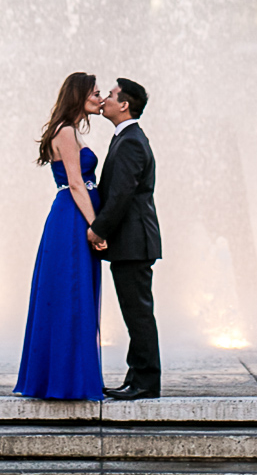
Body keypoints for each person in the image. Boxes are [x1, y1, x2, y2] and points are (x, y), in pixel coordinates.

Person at [13, 71, 107, 400]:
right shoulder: (65, 132)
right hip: (72, 221)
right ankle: (67, 381)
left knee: (74, 294)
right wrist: (95, 226)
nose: (100, 98)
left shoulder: (67, 130)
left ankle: (68, 376)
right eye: (95, 93)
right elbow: (76, 183)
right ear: (79, 96)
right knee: (72, 293)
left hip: (72, 216)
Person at [87, 78, 161, 400]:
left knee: (139, 313)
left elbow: (120, 195)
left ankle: (146, 381)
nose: (105, 99)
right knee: (135, 312)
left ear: (125, 104)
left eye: (111, 95)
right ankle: (136, 377)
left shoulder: (130, 141)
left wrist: (99, 229)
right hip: (130, 243)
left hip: (134, 243)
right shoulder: (126, 138)